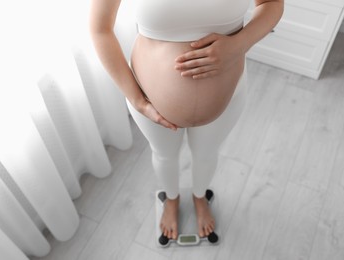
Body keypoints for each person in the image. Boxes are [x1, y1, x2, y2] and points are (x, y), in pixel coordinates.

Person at [90, 0, 283, 241]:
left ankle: (199, 196)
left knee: (207, 154)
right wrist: (138, 101)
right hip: (149, 100)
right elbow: (100, 30)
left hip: (228, 95)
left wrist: (238, 45)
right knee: (163, 155)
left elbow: (272, 3)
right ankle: (171, 199)